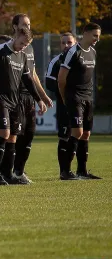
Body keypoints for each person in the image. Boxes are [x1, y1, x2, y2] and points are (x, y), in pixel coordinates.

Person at [0, 27, 46, 185]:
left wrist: (39, 99)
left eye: (26, 45)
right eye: (21, 43)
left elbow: (28, 80)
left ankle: (7, 174)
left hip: (15, 101)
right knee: (3, 134)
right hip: (1, 99)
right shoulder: (1, 50)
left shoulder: (23, 56)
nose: (23, 46)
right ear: (15, 37)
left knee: (13, 137)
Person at [8, 14, 53, 184]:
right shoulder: (10, 46)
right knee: (14, 136)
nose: (27, 27)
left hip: (30, 98)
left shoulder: (30, 47)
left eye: (29, 24)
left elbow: (32, 74)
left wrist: (42, 96)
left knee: (29, 134)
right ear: (14, 27)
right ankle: (7, 172)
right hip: (16, 97)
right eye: (23, 24)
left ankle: (19, 171)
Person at [57, 23, 102, 180]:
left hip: (88, 98)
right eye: (95, 35)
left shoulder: (93, 52)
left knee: (86, 134)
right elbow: (61, 79)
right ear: (86, 33)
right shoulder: (73, 51)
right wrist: (65, 98)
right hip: (74, 97)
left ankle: (82, 171)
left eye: (99, 35)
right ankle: (65, 172)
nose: (98, 38)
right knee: (77, 132)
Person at [45, 32, 79, 179]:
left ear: (75, 43)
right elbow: (49, 83)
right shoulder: (56, 61)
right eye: (63, 43)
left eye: (69, 42)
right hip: (64, 106)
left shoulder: (81, 59)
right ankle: (64, 171)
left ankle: (78, 170)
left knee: (79, 135)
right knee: (64, 137)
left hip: (80, 105)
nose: (66, 45)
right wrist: (65, 87)